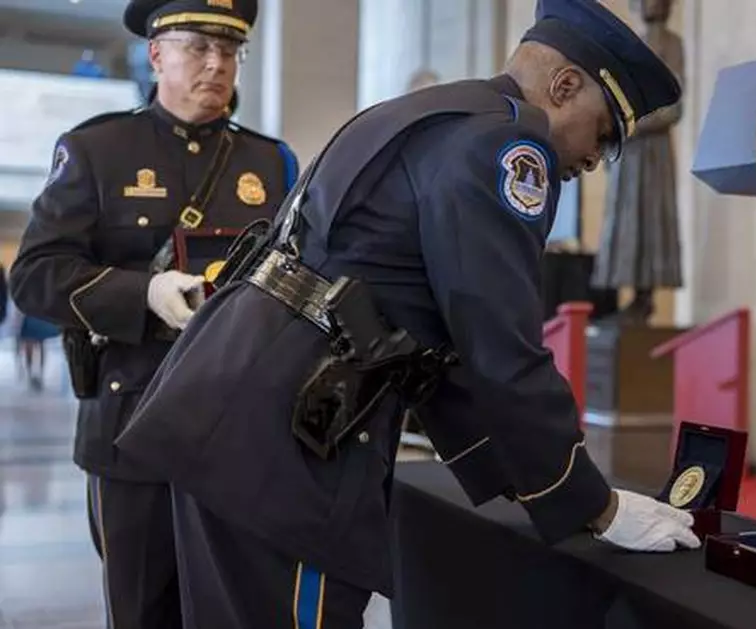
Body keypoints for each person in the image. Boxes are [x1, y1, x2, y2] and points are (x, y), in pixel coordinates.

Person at [118, 0, 700, 626]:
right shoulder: (507, 145)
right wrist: (595, 504)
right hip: (290, 452)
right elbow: (501, 349)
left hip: (230, 414)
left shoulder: (431, 114)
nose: (593, 161)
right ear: (563, 87)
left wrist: (538, 483)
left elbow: (424, 345)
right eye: (604, 135)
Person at [7, 1, 298, 627]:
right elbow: (34, 276)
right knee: (144, 611)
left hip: (239, 433)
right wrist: (142, 292)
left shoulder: (272, 164)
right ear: (157, 53)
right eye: (198, 47)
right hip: (131, 425)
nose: (217, 64)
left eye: (231, 50)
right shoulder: (97, 150)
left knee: (239, 608)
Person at [590, 0, 684, 323]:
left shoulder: (672, 44)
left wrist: (631, 124)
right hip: (628, 152)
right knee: (623, 219)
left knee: (649, 219)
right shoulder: (631, 40)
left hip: (652, 152)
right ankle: (629, 297)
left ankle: (645, 298)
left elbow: (673, 108)